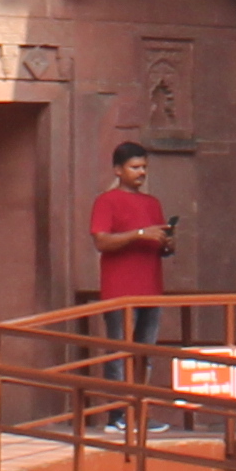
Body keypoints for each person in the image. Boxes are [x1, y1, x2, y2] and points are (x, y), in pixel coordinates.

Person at [83, 141, 178, 429]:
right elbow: (101, 240)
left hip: (152, 290)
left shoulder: (153, 204)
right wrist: (139, 234)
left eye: (144, 167)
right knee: (119, 353)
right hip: (120, 292)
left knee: (144, 355)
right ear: (118, 170)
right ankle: (117, 416)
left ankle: (139, 413)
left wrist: (166, 243)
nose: (141, 173)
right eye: (135, 167)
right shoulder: (107, 201)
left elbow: (157, 242)